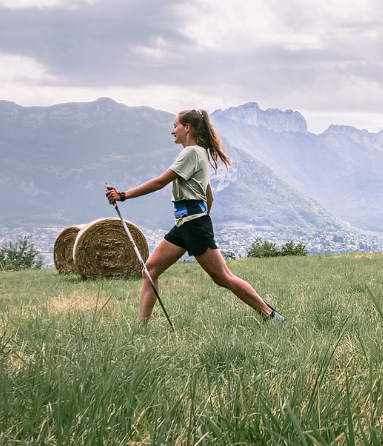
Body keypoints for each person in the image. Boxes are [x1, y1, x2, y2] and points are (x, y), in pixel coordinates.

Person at [106, 109, 284, 324]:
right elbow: (209, 196)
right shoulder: (200, 154)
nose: (172, 131)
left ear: (187, 127)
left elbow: (160, 182)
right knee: (150, 271)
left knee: (223, 277)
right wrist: (200, 218)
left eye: (175, 126)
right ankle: (140, 327)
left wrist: (123, 195)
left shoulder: (191, 153)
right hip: (185, 224)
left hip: (192, 224)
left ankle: (270, 315)